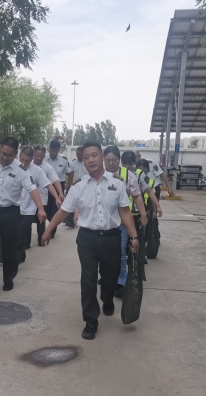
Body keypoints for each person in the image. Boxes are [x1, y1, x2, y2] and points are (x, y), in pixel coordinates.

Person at [41, 141, 139, 340]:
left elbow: (125, 211)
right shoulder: (78, 187)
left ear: (101, 157)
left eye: (94, 155)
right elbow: (64, 211)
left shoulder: (117, 183)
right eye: (86, 157)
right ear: (83, 161)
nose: (91, 160)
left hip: (112, 238)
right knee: (88, 280)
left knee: (110, 278)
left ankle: (107, 299)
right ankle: (91, 321)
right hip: (87, 239)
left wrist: (134, 236)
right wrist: (48, 230)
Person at [0, 137, 47, 293]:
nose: (5, 157)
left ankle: (8, 279)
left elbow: (32, 189)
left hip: (11, 212)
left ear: (16, 154)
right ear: (0, 149)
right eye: (3, 153)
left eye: (9, 155)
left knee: (10, 249)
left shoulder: (21, 170)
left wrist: (40, 208)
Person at [101, 147, 147, 298]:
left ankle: (121, 282)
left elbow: (137, 195)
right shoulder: (97, 173)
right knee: (103, 253)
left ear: (119, 160)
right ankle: (107, 276)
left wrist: (143, 214)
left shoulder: (128, 175)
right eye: (108, 160)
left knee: (120, 252)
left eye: (114, 160)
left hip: (122, 222)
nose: (111, 163)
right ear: (103, 160)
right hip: (103, 223)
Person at [17, 147, 62, 263]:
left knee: (21, 232)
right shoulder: (13, 166)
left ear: (31, 159)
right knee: (15, 234)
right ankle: (19, 255)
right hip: (14, 207)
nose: (24, 163)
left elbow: (48, 184)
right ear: (19, 156)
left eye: (27, 161)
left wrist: (57, 197)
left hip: (28, 208)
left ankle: (17, 257)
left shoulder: (37, 170)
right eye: (22, 159)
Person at [33, 145, 63, 246]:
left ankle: (41, 240)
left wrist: (60, 194)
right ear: (33, 154)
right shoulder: (27, 164)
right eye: (37, 155)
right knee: (26, 222)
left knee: (41, 221)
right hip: (27, 199)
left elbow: (55, 181)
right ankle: (25, 243)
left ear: (44, 156)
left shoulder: (47, 167)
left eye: (41, 156)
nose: (39, 158)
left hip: (42, 198)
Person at [44, 139, 73, 238]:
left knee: (55, 210)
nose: (54, 153)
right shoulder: (44, 158)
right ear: (49, 149)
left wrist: (69, 185)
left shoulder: (63, 160)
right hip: (45, 186)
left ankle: (52, 231)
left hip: (59, 186)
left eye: (56, 151)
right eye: (52, 150)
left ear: (59, 150)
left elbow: (70, 173)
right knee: (46, 208)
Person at [64, 146, 87, 228]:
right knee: (72, 203)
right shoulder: (73, 163)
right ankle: (70, 221)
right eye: (77, 154)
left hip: (85, 186)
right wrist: (68, 184)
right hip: (76, 185)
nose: (79, 156)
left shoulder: (87, 163)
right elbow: (71, 175)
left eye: (80, 154)